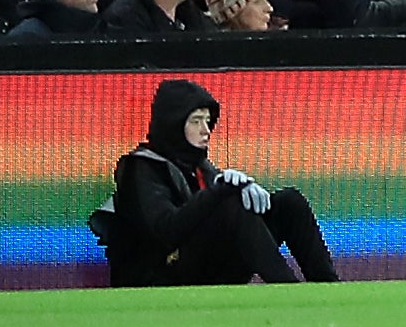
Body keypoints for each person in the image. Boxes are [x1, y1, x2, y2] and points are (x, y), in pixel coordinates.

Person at [97, 78, 340, 285]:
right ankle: (288, 290)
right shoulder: (141, 167)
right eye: (195, 121)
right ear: (173, 123)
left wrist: (239, 189)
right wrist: (221, 191)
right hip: (159, 274)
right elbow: (166, 231)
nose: (206, 130)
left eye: (207, 120)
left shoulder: (201, 167)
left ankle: (329, 289)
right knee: (231, 206)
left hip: (205, 267)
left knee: (289, 202)